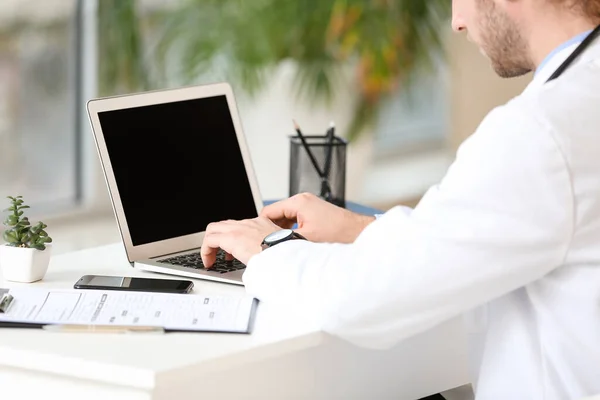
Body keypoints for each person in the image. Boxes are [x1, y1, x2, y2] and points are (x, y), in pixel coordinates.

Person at [200, 0, 600, 398]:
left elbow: (358, 300)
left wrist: (266, 247)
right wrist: (361, 229)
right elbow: (489, 234)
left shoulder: (541, 133)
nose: (456, 22)